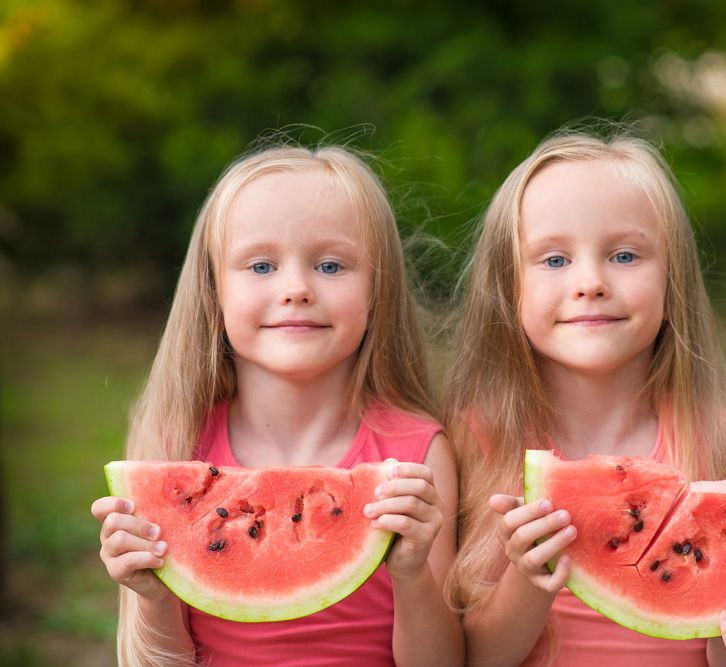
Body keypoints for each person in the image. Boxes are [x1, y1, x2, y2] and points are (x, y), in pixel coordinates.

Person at [91, 145, 463, 667]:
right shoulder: (176, 446)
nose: (296, 289)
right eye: (261, 265)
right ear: (212, 290)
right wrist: (152, 597)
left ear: (378, 289)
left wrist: (413, 573)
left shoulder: (416, 455)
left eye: (331, 265)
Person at [446, 131, 726, 666]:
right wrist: (527, 581)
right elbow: (473, 659)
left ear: (672, 283)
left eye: (625, 255)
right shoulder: (480, 437)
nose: (590, 281)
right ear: (507, 286)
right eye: (555, 259)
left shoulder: (718, 438)